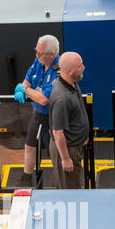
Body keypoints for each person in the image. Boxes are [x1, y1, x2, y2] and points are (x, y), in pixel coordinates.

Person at [14, 35, 60, 187]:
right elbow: (27, 79)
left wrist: (24, 89)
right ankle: (26, 177)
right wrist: (24, 87)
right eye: (36, 51)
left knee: (55, 151)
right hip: (37, 114)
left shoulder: (58, 70)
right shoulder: (38, 62)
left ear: (52, 55)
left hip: (53, 118)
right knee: (30, 144)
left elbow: (43, 99)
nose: (36, 55)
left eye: (40, 53)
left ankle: (58, 179)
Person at [48, 52, 90, 189]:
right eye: (80, 66)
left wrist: (82, 135)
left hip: (74, 145)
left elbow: (76, 114)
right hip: (66, 149)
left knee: (73, 184)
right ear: (70, 71)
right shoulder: (62, 98)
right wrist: (65, 158)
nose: (83, 67)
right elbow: (58, 132)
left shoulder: (72, 83)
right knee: (72, 192)